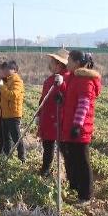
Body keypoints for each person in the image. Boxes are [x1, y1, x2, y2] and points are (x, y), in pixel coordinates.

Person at [60, 50, 101, 203]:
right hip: (71, 126)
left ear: (77, 62)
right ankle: (75, 188)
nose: (67, 62)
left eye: (69, 60)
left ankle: (86, 195)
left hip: (80, 129)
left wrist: (77, 125)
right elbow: (70, 98)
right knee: (72, 159)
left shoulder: (85, 80)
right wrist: (62, 98)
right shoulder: (73, 78)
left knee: (82, 162)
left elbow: (83, 105)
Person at [37, 49, 70, 177]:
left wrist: (62, 86)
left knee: (65, 150)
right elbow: (43, 98)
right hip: (48, 119)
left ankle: (70, 175)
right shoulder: (50, 79)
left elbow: (70, 96)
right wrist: (39, 114)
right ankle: (45, 169)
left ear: (59, 64)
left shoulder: (67, 78)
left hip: (60, 119)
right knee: (48, 147)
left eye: (52, 62)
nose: (49, 64)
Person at [0, 60, 25, 162]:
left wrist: (1, 86)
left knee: (16, 138)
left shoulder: (17, 81)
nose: (6, 70)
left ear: (15, 70)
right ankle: (6, 156)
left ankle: (22, 158)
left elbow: (12, 95)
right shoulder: (5, 80)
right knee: (6, 138)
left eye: (9, 68)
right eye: (5, 68)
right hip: (4, 114)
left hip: (13, 114)